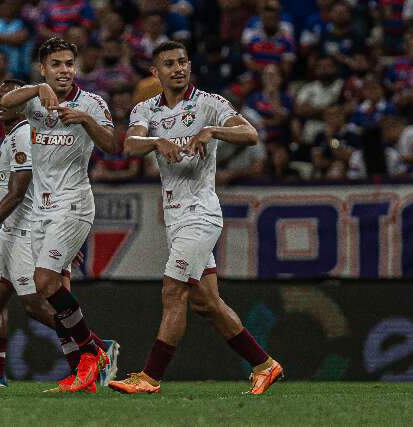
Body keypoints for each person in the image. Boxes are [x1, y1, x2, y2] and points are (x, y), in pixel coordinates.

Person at [108, 41, 282, 395]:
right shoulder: (146, 110)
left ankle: (150, 377)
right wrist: (158, 142)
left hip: (201, 214)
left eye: (183, 62)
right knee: (207, 303)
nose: (178, 68)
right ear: (155, 72)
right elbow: (130, 144)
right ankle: (265, 364)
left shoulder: (209, 103)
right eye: (169, 63)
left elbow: (250, 134)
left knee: (173, 291)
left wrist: (212, 131)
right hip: (175, 218)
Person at [0, 80, 119, 389]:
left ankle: (96, 350)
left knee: (37, 304)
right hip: (11, 229)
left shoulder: (25, 135)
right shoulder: (8, 137)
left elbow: (19, 192)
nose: (0, 102)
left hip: (29, 226)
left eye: (7, 97)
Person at [0, 37, 117, 393]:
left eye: (69, 64)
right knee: (55, 293)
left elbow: (113, 146)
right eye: (57, 65)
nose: (64, 70)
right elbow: (4, 103)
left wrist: (84, 120)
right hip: (41, 208)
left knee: (43, 282)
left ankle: (93, 353)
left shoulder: (92, 103)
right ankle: (82, 372)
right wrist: (37, 89)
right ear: (43, 68)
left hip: (74, 203)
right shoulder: (34, 99)